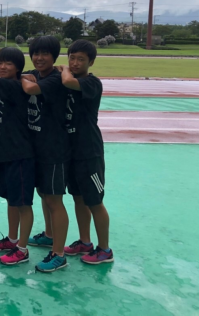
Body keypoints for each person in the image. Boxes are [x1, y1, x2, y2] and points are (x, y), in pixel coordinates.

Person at [58, 39, 113, 264]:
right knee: (78, 198)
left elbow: (69, 81)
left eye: (81, 59)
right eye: (72, 57)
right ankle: (85, 242)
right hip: (71, 151)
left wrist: (62, 69)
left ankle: (105, 249)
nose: (75, 62)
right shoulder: (67, 78)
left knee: (94, 201)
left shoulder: (92, 83)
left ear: (91, 62)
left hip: (89, 151)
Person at [0, 48, 35, 266]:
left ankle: (22, 249)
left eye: (8, 64)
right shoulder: (8, 84)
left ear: (18, 68)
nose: (2, 67)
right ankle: (13, 239)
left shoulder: (14, 86)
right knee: (12, 201)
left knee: (23, 204)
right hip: (8, 154)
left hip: (21, 154)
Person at [21, 35, 70, 273]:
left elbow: (30, 87)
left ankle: (59, 254)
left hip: (53, 149)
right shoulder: (37, 73)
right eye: (35, 53)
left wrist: (21, 77)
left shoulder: (56, 78)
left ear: (54, 56)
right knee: (43, 193)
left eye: (45, 54)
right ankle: (50, 235)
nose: (39, 58)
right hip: (37, 147)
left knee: (54, 199)